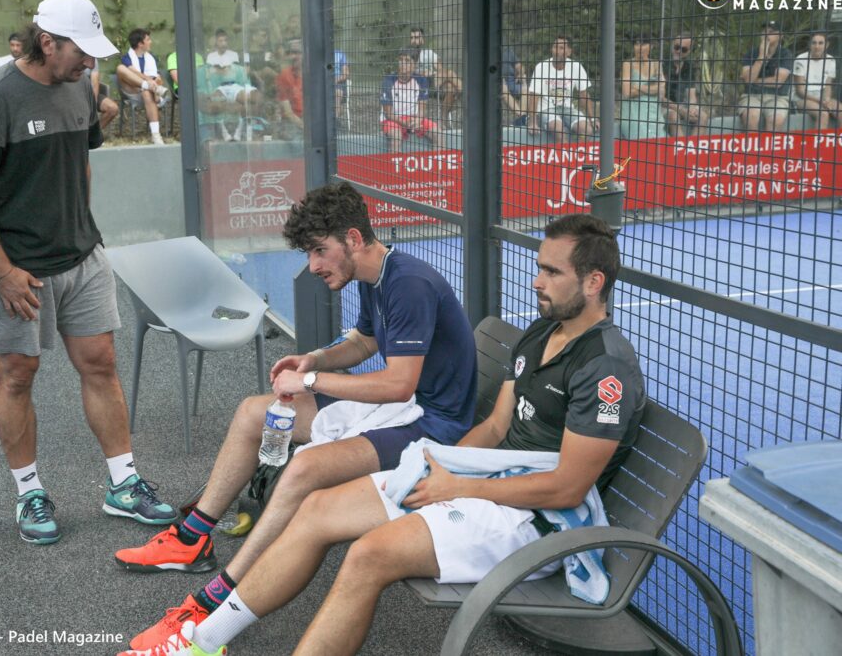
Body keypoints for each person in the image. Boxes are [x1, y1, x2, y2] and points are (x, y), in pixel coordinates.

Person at [121, 214, 645, 656]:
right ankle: (203, 640)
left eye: (552, 273)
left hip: (539, 521)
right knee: (316, 510)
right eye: (539, 268)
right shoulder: (540, 333)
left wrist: (458, 488)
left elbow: (566, 489)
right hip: (485, 482)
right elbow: (494, 427)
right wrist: (444, 468)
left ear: (594, 281)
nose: (537, 281)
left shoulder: (606, 370)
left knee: (369, 555)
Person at [115, 181, 478, 652]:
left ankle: (211, 604)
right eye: (309, 254)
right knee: (254, 412)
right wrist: (314, 361)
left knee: (305, 467)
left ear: (352, 238)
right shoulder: (377, 275)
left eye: (319, 252)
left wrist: (310, 384)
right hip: (401, 409)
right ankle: (192, 536)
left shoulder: (407, 282)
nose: (313, 266)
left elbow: (398, 383)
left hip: (434, 425)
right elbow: (366, 343)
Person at [0, 0, 177, 546]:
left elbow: (79, 157)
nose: (89, 63)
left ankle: (122, 483)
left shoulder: (83, 84)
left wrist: (82, 230)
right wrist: (2, 271)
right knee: (16, 374)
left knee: (100, 362)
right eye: (80, 51)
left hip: (82, 256)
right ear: (46, 42)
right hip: (18, 271)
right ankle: (28, 491)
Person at [528, 35, 597, 143]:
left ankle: (578, 154)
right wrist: (532, 122)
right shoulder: (541, 67)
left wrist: (593, 119)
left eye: (561, 48)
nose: (557, 51)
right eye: (555, 47)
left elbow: (584, 95)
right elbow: (533, 96)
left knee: (587, 130)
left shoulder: (576, 67)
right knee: (559, 131)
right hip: (546, 109)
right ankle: (564, 157)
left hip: (568, 109)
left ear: (569, 51)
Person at [116, 28, 170, 145]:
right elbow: (134, 73)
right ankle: (150, 88)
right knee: (120, 68)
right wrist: (149, 81)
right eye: (148, 40)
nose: (150, 42)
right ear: (140, 44)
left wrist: (157, 80)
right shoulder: (127, 58)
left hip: (147, 94)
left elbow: (156, 76)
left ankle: (155, 135)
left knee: (146, 91)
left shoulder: (151, 58)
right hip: (132, 91)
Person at [380, 48, 441, 153]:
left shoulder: (421, 80)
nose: (402, 63)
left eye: (407, 61)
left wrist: (417, 120)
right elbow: (388, 114)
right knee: (396, 135)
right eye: (400, 60)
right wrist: (405, 123)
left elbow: (422, 108)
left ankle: (439, 167)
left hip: (413, 119)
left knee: (438, 133)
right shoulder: (388, 80)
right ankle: (394, 168)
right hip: (393, 120)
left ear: (415, 65)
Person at [739, 20, 793, 132]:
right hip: (752, 95)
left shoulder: (785, 54)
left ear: (781, 36)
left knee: (776, 120)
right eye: (764, 31)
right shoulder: (751, 53)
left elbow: (777, 82)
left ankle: (770, 149)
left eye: (771, 32)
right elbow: (748, 79)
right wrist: (761, 56)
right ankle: (751, 149)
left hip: (777, 97)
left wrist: (755, 80)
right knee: (751, 117)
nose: (767, 34)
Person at [196, 52, 262, 141]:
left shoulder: (239, 72)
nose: (222, 69)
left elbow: (252, 105)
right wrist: (229, 106)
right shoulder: (202, 74)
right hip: (210, 124)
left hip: (239, 124)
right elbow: (206, 106)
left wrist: (233, 106)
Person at [410, 26, 462, 127]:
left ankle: (443, 117)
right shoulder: (408, 53)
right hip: (418, 85)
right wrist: (421, 73)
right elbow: (406, 74)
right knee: (451, 76)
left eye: (416, 38)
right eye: (411, 38)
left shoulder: (428, 53)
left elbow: (440, 69)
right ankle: (463, 91)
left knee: (451, 87)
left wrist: (431, 73)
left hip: (432, 82)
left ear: (422, 39)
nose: (413, 41)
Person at [619, 33, 666, 139]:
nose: (640, 47)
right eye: (637, 44)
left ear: (651, 46)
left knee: (660, 148)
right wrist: (652, 88)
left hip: (654, 115)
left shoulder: (656, 64)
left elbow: (661, 90)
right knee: (641, 149)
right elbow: (626, 93)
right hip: (633, 115)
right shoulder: (627, 64)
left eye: (644, 44)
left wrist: (637, 87)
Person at [663, 32, 708, 136]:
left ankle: (694, 149)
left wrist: (692, 109)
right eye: (677, 47)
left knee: (703, 116)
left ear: (689, 51)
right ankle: (682, 150)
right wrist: (682, 111)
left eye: (683, 49)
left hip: (682, 105)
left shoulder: (688, 66)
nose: (678, 51)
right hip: (663, 105)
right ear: (672, 45)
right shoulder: (663, 63)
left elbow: (691, 95)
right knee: (674, 116)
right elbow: (660, 97)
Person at [793, 31, 840, 129]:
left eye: (820, 43)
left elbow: (828, 85)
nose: (817, 46)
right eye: (814, 43)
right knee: (822, 114)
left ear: (826, 45)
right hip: (803, 98)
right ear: (809, 44)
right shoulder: (800, 59)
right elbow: (800, 91)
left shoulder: (831, 60)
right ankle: (818, 143)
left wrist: (826, 99)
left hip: (822, 96)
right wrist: (821, 101)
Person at [275, 39, 305, 140]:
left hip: (312, 122)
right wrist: (305, 127)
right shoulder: (284, 75)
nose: (293, 56)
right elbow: (288, 112)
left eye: (297, 53)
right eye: (290, 53)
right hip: (292, 123)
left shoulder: (314, 74)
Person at [501, 46, 529, 125]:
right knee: (504, 90)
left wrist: (521, 73)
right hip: (499, 81)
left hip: (512, 81)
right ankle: (521, 116)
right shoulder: (492, 53)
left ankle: (522, 118)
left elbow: (519, 66)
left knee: (525, 89)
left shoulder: (509, 51)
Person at [90, 63, 118, 131]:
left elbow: (94, 80)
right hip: (73, 95)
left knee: (113, 108)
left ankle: (93, 133)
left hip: (90, 94)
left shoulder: (92, 57)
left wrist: (93, 103)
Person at [334, 48, 350, 118]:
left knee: (338, 92)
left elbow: (345, 74)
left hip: (337, 82)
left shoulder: (339, 54)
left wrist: (336, 80)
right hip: (323, 81)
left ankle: (335, 120)